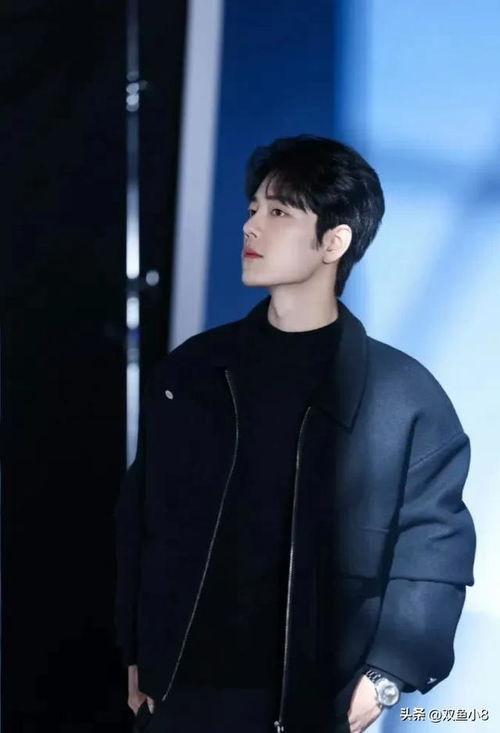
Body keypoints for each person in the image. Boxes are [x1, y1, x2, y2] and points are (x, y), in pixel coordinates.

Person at [113, 134, 476, 733]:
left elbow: (434, 547)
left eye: (279, 212)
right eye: (254, 208)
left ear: (334, 242)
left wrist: (387, 676)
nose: (251, 226)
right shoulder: (191, 373)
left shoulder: (405, 397)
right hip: (180, 695)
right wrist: (134, 650)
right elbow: (141, 519)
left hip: (311, 704)